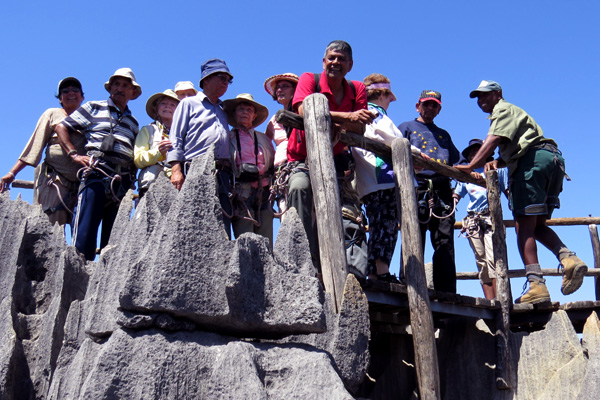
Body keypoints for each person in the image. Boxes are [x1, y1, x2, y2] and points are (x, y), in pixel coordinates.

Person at [456, 80, 587, 304]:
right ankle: (568, 258)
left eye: (485, 95)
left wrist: (470, 166)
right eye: (478, 97)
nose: (481, 101)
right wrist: (499, 161)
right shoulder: (514, 112)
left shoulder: (503, 109)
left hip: (531, 164)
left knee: (522, 227)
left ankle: (536, 285)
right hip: (550, 161)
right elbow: (517, 142)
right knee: (536, 225)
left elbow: (494, 138)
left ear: (498, 94)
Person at [286, 40, 375, 272]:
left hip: (338, 164)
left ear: (350, 65)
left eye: (341, 59)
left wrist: (338, 118)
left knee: (348, 210)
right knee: (299, 187)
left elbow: (360, 128)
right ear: (323, 61)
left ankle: (352, 270)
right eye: (332, 58)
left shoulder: (357, 88)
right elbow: (304, 110)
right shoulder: (309, 79)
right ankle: (301, 256)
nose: (336, 62)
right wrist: (347, 116)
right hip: (303, 159)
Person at [55, 68, 141, 260]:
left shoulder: (134, 123)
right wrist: (74, 155)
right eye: (116, 84)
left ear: (132, 92)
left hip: (122, 182)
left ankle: (105, 284)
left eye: (125, 85)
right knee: (84, 234)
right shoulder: (94, 107)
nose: (120, 88)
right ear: (110, 88)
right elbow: (62, 127)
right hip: (97, 173)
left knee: (114, 239)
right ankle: (77, 279)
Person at [352, 73, 429, 283]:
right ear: (383, 94)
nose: (390, 101)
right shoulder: (374, 113)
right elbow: (393, 140)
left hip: (374, 179)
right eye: (388, 96)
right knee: (385, 225)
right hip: (382, 177)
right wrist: (418, 155)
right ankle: (381, 271)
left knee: (381, 224)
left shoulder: (365, 113)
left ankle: (377, 270)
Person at [1, 77, 85, 226]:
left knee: (80, 233)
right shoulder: (52, 114)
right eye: (65, 91)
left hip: (80, 184)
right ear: (60, 99)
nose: (71, 93)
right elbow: (34, 146)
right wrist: (12, 173)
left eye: (75, 90)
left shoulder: (89, 118)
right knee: (49, 228)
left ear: (82, 97)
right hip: (54, 180)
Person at [398, 90, 460, 293]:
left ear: (439, 109)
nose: (430, 108)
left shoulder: (444, 135)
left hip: (442, 191)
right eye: (426, 104)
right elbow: (395, 154)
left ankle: (447, 291)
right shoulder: (406, 128)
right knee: (414, 236)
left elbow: (459, 162)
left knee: (444, 240)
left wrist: (476, 171)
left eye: (434, 105)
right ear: (418, 106)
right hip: (417, 188)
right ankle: (410, 285)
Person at [166, 58, 233, 237]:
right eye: (221, 77)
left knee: (222, 226)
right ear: (206, 79)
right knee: (195, 224)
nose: (226, 82)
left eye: (229, 79)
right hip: (196, 168)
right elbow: (176, 138)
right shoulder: (188, 104)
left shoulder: (224, 110)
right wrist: (176, 169)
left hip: (223, 174)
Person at [454, 138, 508, 299]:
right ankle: (490, 300)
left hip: (491, 217)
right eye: (471, 152)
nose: (473, 154)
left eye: (477, 151)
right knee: (481, 261)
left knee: (494, 259)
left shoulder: (498, 170)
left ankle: (501, 299)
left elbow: (508, 190)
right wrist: (452, 203)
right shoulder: (466, 175)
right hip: (473, 220)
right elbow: (456, 194)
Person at [223, 93, 274, 247]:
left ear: (254, 115)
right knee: (245, 240)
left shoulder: (264, 139)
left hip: (263, 192)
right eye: (240, 109)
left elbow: (271, 162)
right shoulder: (227, 137)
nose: (245, 112)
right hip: (240, 193)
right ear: (234, 114)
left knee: (266, 240)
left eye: (248, 109)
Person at [263, 73, 299, 217]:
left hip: (300, 166)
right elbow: (265, 144)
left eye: (285, 86)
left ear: (295, 89)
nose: (279, 90)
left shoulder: (302, 112)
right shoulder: (274, 120)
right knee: (285, 214)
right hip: (280, 172)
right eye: (277, 88)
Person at [134, 89, 179, 197]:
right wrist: (158, 152)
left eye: (172, 104)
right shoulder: (148, 130)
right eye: (163, 103)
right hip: (150, 187)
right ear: (156, 108)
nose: (167, 106)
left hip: (176, 187)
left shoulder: (183, 133)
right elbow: (138, 160)